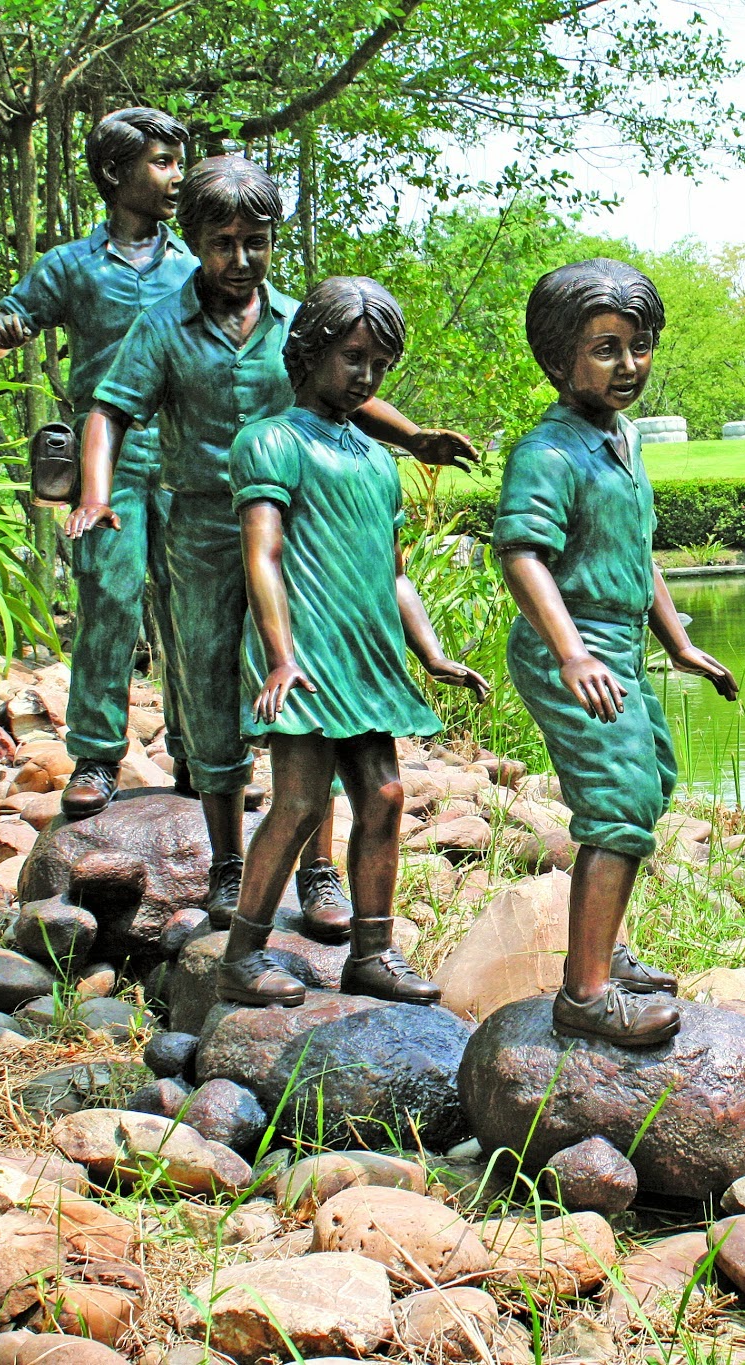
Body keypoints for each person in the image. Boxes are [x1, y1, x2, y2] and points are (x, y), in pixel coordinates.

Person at [83, 155, 478, 935]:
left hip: (290, 524)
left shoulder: (297, 319)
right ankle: (229, 860)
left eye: (255, 242)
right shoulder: (162, 323)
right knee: (206, 684)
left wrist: (416, 438)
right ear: (192, 240)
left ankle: (321, 868)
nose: (240, 260)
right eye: (222, 242)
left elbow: (348, 390)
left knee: (312, 691)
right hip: (202, 525)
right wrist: (96, 492)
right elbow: (109, 409)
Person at [216, 277, 488, 1006]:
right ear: (306, 351)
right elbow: (262, 556)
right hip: (305, 653)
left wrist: (431, 652)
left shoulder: (375, 461)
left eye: (379, 364)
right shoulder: (271, 441)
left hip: (366, 655)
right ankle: (242, 956)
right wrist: (279, 655)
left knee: (388, 796)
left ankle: (372, 952)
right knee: (300, 802)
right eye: (353, 357)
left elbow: (394, 575)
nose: (365, 376)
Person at [494, 258, 737, 1047]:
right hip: (572, 643)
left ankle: (604, 946)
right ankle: (586, 994)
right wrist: (570, 653)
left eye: (640, 345)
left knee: (649, 778)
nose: (628, 364)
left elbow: (639, 556)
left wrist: (681, 642)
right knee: (620, 799)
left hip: (619, 645)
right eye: (606, 348)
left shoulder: (622, 438)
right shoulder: (549, 452)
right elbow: (523, 556)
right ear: (560, 356)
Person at [0, 107, 197, 818]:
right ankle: (98, 756)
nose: (175, 177)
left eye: (176, 161)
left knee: (194, 605)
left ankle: (201, 750)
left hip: (185, 455)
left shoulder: (193, 268)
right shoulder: (71, 266)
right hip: (106, 461)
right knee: (108, 601)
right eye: (160, 162)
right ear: (114, 173)